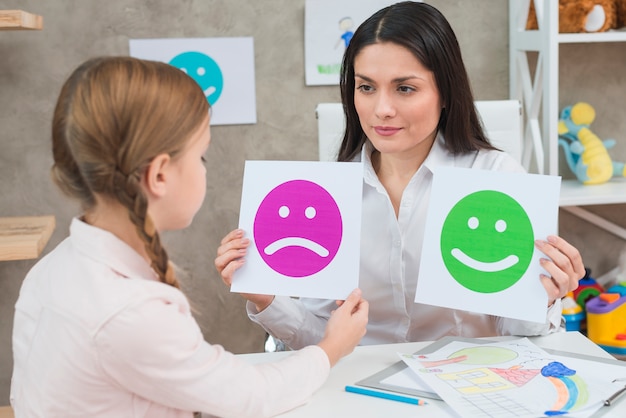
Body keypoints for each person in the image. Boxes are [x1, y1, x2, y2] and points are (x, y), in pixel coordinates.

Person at [10, 56, 368, 418]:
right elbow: (247, 397)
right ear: (160, 176)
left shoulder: (54, 268)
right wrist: (332, 346)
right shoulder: (130, 312)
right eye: (202, 157)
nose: (204, 169)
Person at [215, 2, 584, 350]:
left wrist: (544, 295)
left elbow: (518, 338)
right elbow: (321, 344)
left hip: (467, 386)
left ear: (445, 93)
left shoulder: (495, 177)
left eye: (405, 88)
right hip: (360, 390)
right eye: (366, 87)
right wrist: (267, 298)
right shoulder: (329, 195)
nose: (382, 109)